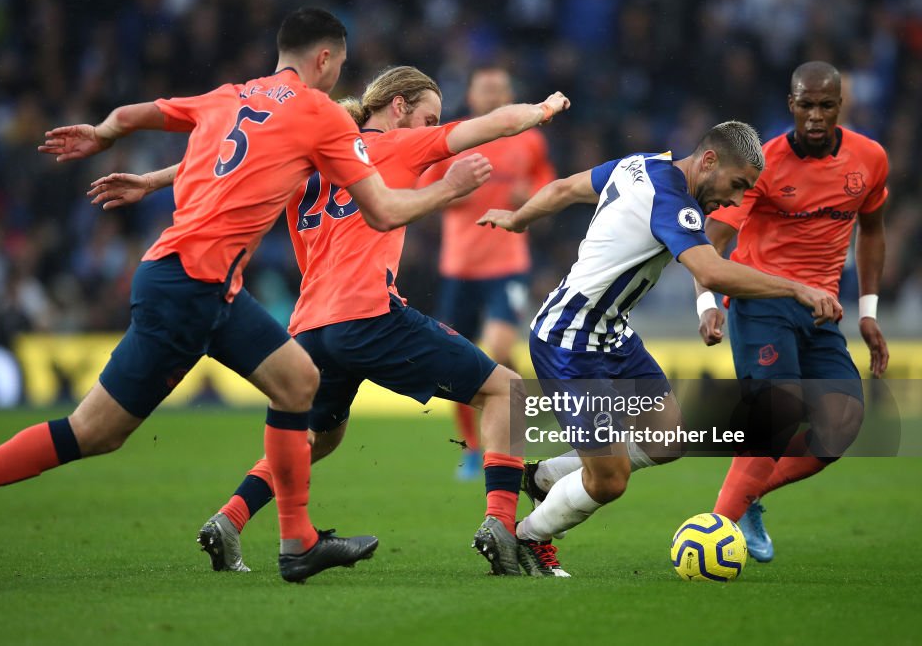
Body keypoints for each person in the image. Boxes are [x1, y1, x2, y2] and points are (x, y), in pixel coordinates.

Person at [0, 8, 491, 583]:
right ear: (325, 58)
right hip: (196, 286)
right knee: (97, 432)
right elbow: (385, 210)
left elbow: (141, 115)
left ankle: (295, 541)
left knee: (295, 383)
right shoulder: (320, 114)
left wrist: (109, 136)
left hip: (189, 281)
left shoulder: (230, 96)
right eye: (339, 65)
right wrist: (453, 185)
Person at [91, 66, 571, 576]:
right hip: (369, 315)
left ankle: (230, 519)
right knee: (504, 390)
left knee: (318, 437)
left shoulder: (311, 158)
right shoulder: (400, 146)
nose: (436, 124)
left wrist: (151, 180)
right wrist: (542, 111)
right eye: (429, 115)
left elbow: (226, 161)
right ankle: (500, 523)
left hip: (311, 328)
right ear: (400, 107)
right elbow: (494, 124)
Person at [477, 121, 843, 577]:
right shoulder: (672, 200)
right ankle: (528, 537)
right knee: (609, 481)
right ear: (709, 160)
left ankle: (542, 478)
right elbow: (710, 270)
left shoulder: (642, 164)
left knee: (667, 436)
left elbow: (566, 188)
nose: (734, 201)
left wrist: (519, 218)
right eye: (736, 186)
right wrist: (798, 290)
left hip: (611, 332)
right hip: (570, 340)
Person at [696, 62, 889, 562]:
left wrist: (868, 311)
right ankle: (712, 533)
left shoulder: (870, 159)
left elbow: (873, 229)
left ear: (840, 106)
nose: (816, 116)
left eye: (826, 105)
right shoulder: (764, 165)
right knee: (777, 413)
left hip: (822, 309)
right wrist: (707, 301)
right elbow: (710, 241)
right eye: (806, 105)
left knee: (841, 425)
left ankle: (749, 492)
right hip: (761, 302)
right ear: (791, 105)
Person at [418, 67, 556, 479]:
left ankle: (510, 435)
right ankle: (474, 447)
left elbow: (546, 179)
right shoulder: (455, 139)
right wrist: (451, 192)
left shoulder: (529, 139)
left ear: (510, 95)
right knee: (452, 364)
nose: (493, 97)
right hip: (459, 268)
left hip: (507, 266)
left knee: (495, 351)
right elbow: (420, 190)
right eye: (486, 90)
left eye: (500, 90)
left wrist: (529, 195)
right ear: (472, 96)